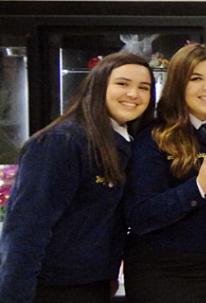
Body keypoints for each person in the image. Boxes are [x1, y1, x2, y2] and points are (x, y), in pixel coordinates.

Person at [0, 52, 155, 303]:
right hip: (52, 286)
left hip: (93, 283)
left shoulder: (123, 141)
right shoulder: (63, 142)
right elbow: (26, 229)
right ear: (98, 85)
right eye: (122, 84)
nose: (133, 94)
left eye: (144, 88)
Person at [122, 44, 206, 302]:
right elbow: (140, 215)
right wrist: (196, 187)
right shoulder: (152, 139)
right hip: (163, 272)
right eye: (196, 79)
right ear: (178, 85)